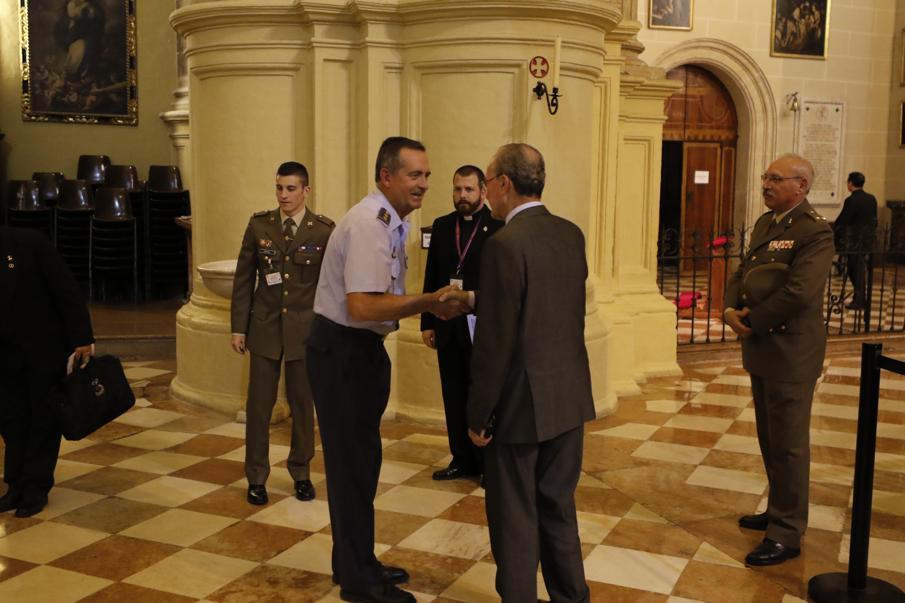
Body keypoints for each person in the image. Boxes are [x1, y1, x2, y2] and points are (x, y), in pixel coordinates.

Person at [306, 136, 468, 603]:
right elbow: (360, 306)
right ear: (386, 176)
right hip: (343, 352)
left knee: (362, 463)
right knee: (353, 466)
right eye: (414, 175)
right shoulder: (368, 225)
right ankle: (358, 583)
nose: (423, 185)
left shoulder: (390, 223)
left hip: (357, 352)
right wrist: (428, 302)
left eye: (426, 176)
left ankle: (355, 562)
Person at [462, 143, 595, 602]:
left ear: (503, 184)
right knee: (557, 507)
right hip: (569, 396)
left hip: (520, 404)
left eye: (487, 183)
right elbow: (550, 306)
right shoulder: (570, 233)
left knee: (514, 515)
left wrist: (479, 415)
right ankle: (572, 596)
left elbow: (496, 342)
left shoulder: (503, 244)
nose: (485, 194)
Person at [723, 153, 834, 566]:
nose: (765, 184)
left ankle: (787, 532)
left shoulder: (815, 232)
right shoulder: (766, 224)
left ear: (800, 186)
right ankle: (778, 509)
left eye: (775, 178)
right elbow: (743, 271)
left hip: (790, 350)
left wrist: (756, 322)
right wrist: (730, 309)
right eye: (765, 177)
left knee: (789, 444)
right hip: (762, 347)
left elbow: (800, 291)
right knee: (770, 438)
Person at [230, 161, 333, 506]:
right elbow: (245, 280)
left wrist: (327, 333)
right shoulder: (260, 225)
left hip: (305, 334)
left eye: (291, 188)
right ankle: (256, 477)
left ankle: (301, 472)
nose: (283, 195)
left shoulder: (322, 231)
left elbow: (328, 287)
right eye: (279, 188)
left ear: (306, 191)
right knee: (259, 407)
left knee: (304, 407)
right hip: (264, 330)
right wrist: (237, 328)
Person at [0, 226, 94, 517]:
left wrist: (82, 338)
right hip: (3, 356)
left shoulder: (29, 243)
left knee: (43, 420)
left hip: (42, 350)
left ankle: (36, 487)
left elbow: (66, 290)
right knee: (11, 420)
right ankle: (15, 484)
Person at [421, 165, 503, 481]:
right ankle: (460, 459)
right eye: (457, 189)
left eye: (468, 189)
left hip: (481, 328)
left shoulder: (497, 226)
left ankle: (485, 464)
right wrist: (427, 321)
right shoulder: (443, 226)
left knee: (480, 395)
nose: (462, 196)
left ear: (483, 191)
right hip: (447, 326)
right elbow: (432, 276)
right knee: (452, 394)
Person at [833, 171, 877, 310]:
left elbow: (844, 220)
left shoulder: (851, 200)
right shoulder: (871, 198)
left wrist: (836, 231)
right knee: (859, 269)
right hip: (867, 240)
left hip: (853, 241)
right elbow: (874, 219)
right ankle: (860, 298)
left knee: (854, 270)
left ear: (850, 183)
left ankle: (859, 300)